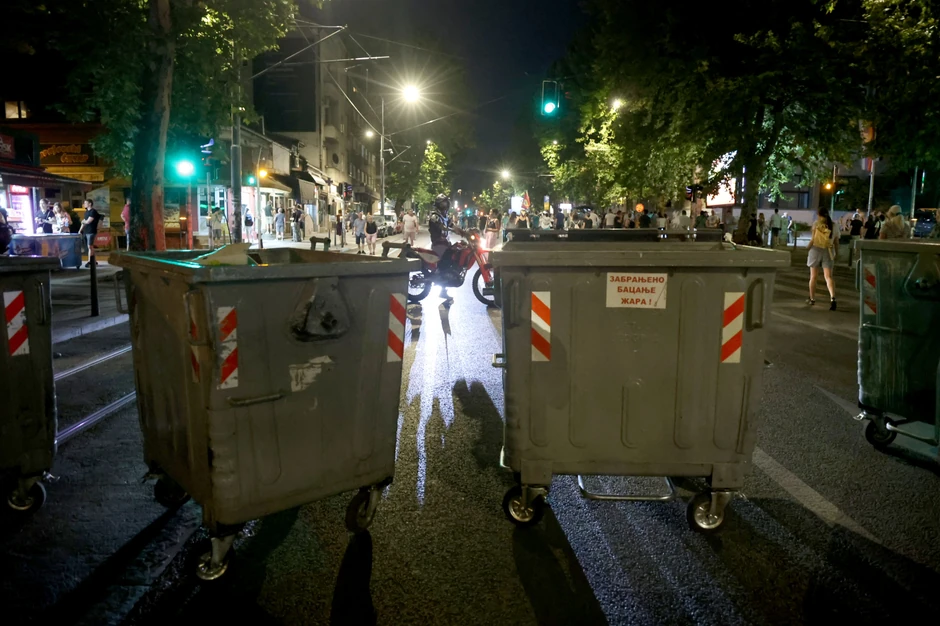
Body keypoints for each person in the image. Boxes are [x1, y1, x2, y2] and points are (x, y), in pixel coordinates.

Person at [807, 207, 838, 310]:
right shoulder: (834, 226)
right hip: (828, 251)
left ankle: (812, 299)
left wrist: (807, 248)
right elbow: (836, 241)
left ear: (819, 215)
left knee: (813, 277)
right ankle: (832, 298)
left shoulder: (816, 224)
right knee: (828, 277)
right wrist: (836, 253)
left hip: (815, 250)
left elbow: (812, 240)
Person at [78, 199, 100, 268]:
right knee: (90, 247)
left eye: (85, 203)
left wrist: (83, 221)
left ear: (90, 204)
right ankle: (93, 260)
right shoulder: (86, 212)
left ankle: (89, 261)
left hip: (91, 231)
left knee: (89, 246)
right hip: (86, 231)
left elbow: (88, 221)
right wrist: (80, 230)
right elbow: (84, 222)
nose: (84, 204)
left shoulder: (93, 212)